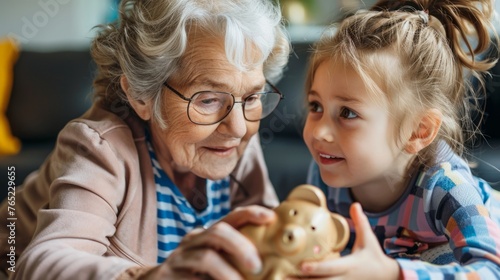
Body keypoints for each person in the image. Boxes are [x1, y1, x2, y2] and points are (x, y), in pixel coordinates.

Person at [0, 0, 290, 279]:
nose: (238, 128)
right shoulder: (99, 147)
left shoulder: (232, 139)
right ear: (141, 95)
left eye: (251, 97)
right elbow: (40, 265)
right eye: (208, 99)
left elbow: (271, 241)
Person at [299, 0, 500, 279]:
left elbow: (491, 270)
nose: (319, 132)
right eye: (316, 106)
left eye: (347, 113)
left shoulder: (445, 189)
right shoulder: (325, 172)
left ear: (418, 131)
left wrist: (393, 272)